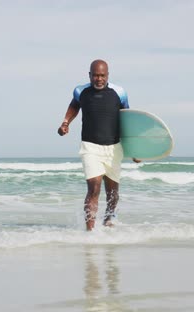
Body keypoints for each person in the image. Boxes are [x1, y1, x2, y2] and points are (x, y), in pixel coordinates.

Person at [58, 59, 139, 231]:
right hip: (90, 147)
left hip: (114, 148)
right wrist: (66, 122)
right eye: (95, 75)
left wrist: (134, 150)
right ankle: (90, 232)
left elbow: (128, 120)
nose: (99, 79)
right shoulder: (81, 91)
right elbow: (74, 106)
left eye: (102, 75)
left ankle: (109, 219)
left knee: (112, 192)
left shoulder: (120, 92)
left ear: (108, 75)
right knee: (94, 187)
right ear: (90, 75)